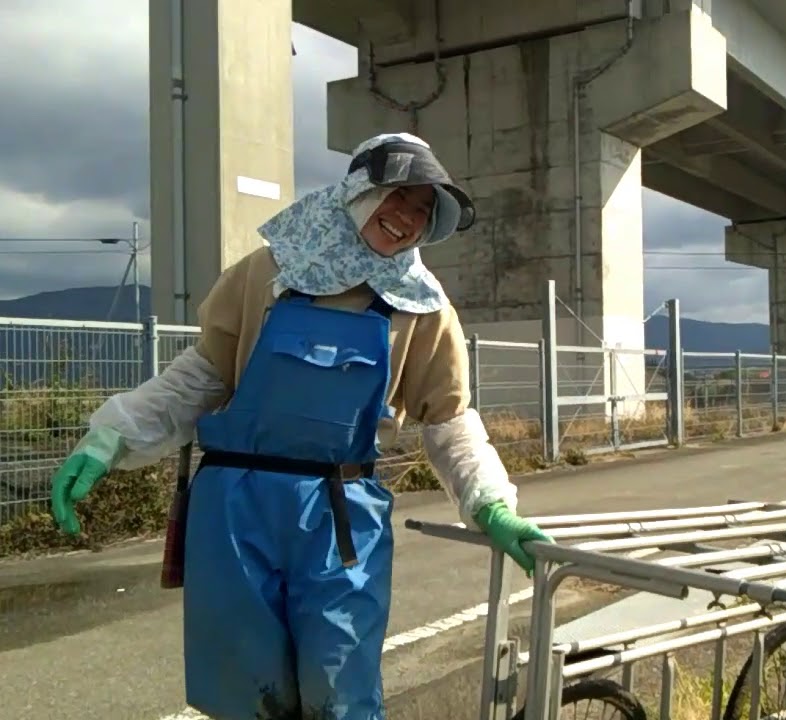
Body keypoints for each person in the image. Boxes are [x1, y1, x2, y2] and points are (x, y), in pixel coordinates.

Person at [46, 132, 553, 719]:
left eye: (424, 210)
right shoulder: (268, 268)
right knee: (247, 696)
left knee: (341, 692)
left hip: (340, 521)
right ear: (362, 189)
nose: (408, 218)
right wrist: (111, 436)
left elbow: (451, 423)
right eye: (400, 196)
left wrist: (491, 503)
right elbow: (201, 377)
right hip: (236, 511)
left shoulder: (423, 306)